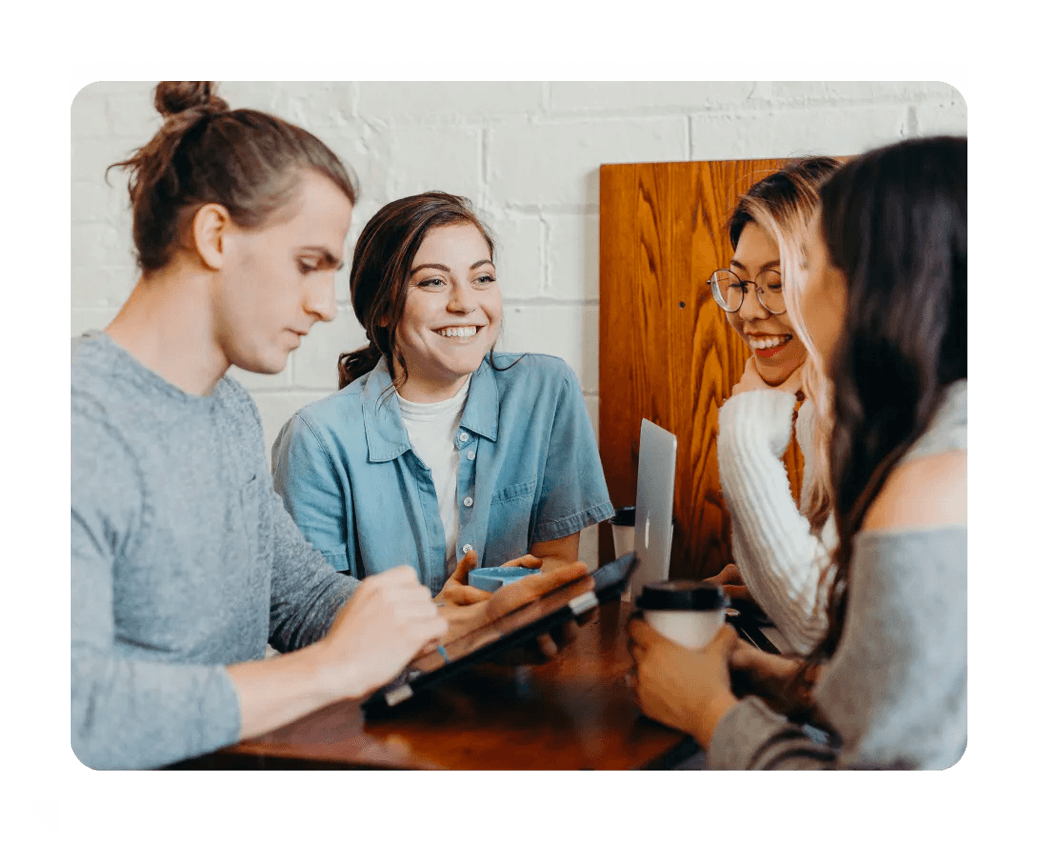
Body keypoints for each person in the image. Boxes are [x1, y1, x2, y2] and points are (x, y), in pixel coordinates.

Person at [71, 82, 591, 771]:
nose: (324, 306)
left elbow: (302, 599)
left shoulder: (226, 410)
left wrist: (461, 629)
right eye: (307, 264)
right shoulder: (77, 426)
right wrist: (333, 669)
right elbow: (75, 715)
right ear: (215, 236)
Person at [628, 136, 967, 770]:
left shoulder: (933, 480)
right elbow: (898, 694)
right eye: (741, 283)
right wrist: (785, 682)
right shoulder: (933, 429)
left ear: (884, 288)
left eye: (804, 272)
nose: (755, 310)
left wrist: (707, 711)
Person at [271, 192, 613, 597]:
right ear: (382, 309)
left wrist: (493, 608)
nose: (465, 303)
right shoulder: (316, 440)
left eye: (482, 278)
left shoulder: (546, 391)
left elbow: (557, 562)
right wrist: (448, 620)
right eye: (434, 281)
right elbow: (314, 611)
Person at [705, 158, 843, 654]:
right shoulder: (822, 412)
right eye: (739, 283)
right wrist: (767, 588)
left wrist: (745, 435)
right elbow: (834, 605)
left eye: (777, 282)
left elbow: (819, 626)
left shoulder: (886, 418)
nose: (747, 311)